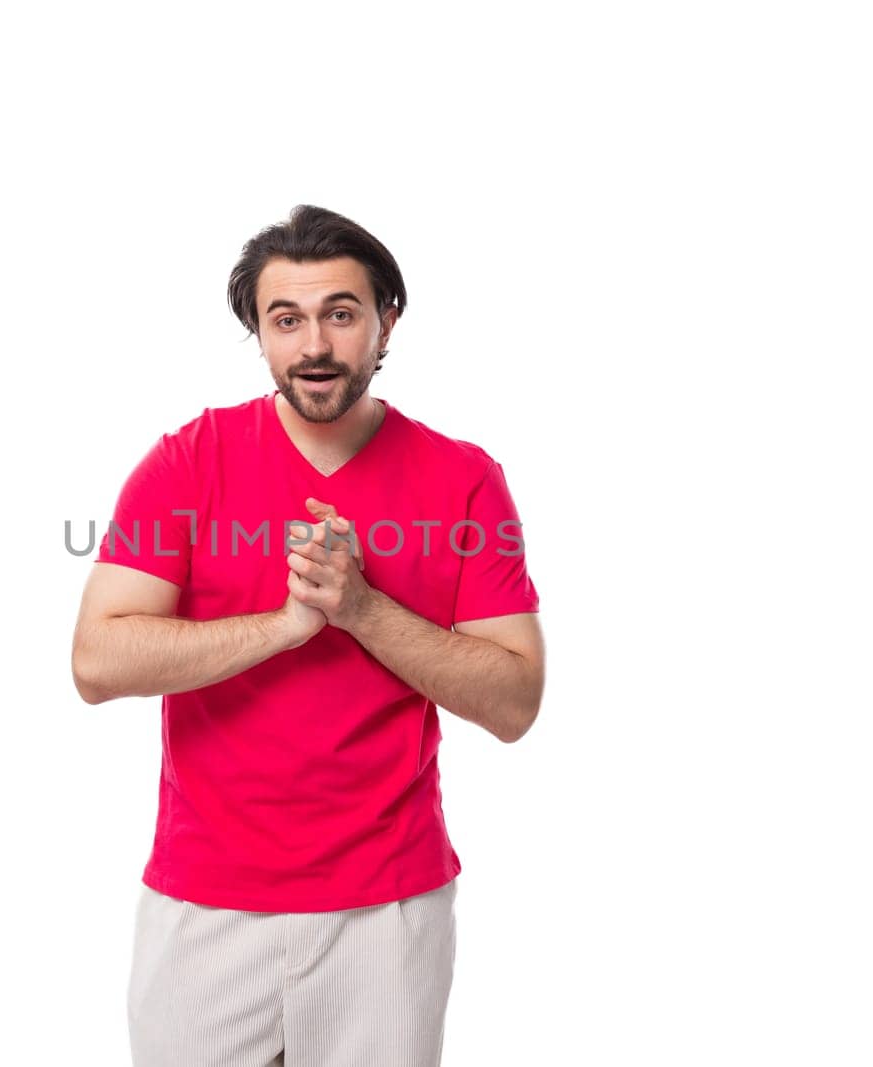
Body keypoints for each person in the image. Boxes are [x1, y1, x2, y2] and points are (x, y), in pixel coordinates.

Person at [71, 204, 545, 1067]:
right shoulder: (188, 461)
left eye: (340, 313)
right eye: (285, 320)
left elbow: (515, 701)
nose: (314, 345)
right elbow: (97, 661)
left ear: (385, 321)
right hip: (203, 905)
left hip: (387, 909)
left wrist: (362, 609)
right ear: (259, 331)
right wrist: (286, 626)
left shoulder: (464, 479)